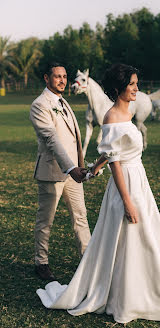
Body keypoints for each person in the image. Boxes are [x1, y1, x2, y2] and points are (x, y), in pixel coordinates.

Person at [36, 63, 160, 324]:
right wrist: (127, 201)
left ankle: (150, 289)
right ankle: (123, 295)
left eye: (136, 84)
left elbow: (109, 154)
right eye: (132, 84)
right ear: (119, 87)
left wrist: (95, 167)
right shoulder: (110, 117)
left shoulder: (128, 113)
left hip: (139, 180)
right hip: (125, 185)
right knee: (128, 234)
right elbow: (116, 162)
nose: (137, 89)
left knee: (151, 237)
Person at [30, 62, 91, 281]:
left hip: (73, 172)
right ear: (47, 78)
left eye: (64, 76)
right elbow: (52, 139)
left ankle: (88, 258)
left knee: (80, 216)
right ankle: (41, 262)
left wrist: (79, 165)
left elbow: (73, 137)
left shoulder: (63, 102)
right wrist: (71, 167)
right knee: (46, 220)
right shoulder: (40, 105)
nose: (62, 80)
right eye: (57, 76)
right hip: (52, 171)